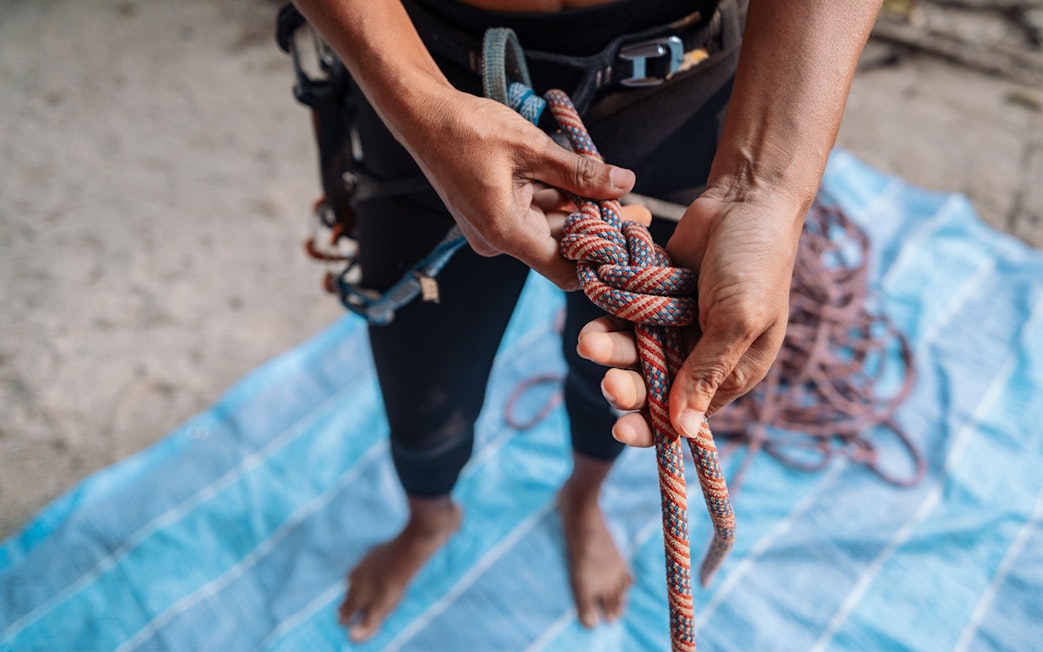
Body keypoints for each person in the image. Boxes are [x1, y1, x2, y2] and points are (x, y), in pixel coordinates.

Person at [290, 0, 883, 642]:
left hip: (683, 79)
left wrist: (763, 190)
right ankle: (427, 518)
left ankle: (583, 497)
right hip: (427, 61)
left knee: (629, 378)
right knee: (422, 380)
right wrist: (415, 101)